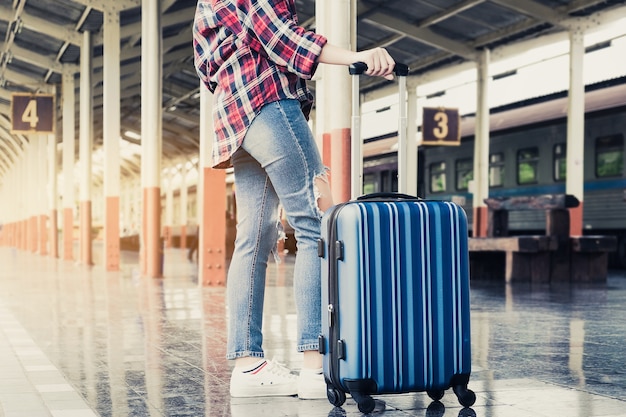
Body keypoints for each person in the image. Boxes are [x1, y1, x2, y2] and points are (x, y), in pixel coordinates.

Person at [193, 0, 396, 399]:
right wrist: (358, 55)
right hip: (270, 104)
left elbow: (206, 67)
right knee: (316, 226)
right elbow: (283, 39)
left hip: (237, 117)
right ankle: (315, 365)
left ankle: (248, 364)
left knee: (253, 237)